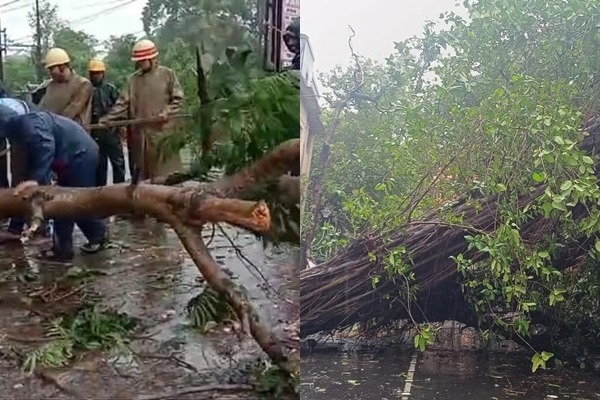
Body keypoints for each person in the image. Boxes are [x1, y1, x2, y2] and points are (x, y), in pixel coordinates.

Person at [0, 97, 108, 261]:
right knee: (64, 200)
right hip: (68, 155)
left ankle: (67, 248)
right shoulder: (18, 129)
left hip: (79, 154)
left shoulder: (29, 123)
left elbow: (45, 147)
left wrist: (35, 180)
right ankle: (86, 238)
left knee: (67, 202)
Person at [100, 39, 184, 181]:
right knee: (142, 177)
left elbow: (178, 99)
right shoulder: (133, 80)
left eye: (142, 60)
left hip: (162, 135)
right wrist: (108, 119)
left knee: (166, 175)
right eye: (138, 61)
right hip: (140, 137)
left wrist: (167, 112)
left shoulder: (167, 75)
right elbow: (122, 104)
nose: (139, 63)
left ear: (151, 58)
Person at [88, 58, 126, 186]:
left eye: (98, 73)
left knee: (118, 164)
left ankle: (119, 191)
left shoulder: (111, 89)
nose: (95, 76)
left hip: (111, 133)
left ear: (103, 74)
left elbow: (120, 108)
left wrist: (120, 127)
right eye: (93, 73)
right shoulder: (86, 90)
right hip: (94, 134)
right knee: (99, 166)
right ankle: (100, 194)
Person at [38, 47, 93, 127]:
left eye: (51, 69)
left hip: (73, 132)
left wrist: (49, 123)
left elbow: (71, 111)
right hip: (51, 130)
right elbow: (43, 107)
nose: (50, 73)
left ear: (62, 67)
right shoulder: (51, 85)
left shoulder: (82, 84)